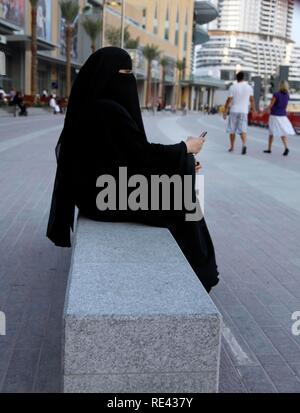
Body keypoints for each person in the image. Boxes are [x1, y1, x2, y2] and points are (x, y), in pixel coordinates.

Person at [46, 47, 219, 293]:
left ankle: (199, 267)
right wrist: (185, 149)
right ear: (109, 75)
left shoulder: (89, 105)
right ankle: (202, 271)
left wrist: (184, 161)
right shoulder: (108, 110)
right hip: (105, 198)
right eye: (125, 72)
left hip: (94, 195)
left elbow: (125, 158)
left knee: (181, 181)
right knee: (183, 196)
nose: (129, 80)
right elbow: (142, 155)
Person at [223, 71, 256, 155]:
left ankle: (232, 147)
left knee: (232, 130)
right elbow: (252, 100)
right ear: (243, 78)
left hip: (234, 110)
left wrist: (225, 111)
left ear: (236, 78)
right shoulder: (249, 87)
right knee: (243, 129)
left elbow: (229, 100)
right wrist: (253, 109)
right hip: (244, 111)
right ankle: (244, 144)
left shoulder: (233, 87)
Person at [263, 80, 295, 156]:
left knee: (271, 132)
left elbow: (271, 105)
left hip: (275, 115)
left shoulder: (276, 94)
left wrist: (264, 110)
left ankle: (269, 149)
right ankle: (286, 147)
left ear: (280, 86)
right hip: (283, 116)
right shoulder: (287, 95)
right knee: (283, 132)